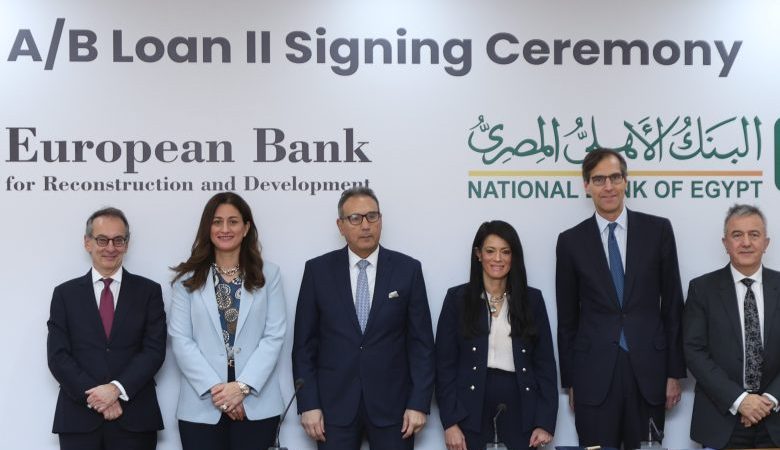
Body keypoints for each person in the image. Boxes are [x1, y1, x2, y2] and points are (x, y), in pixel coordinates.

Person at [555, 148, 686, 448]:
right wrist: (571, 380)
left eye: (615, 177)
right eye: (599, 179)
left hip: (649, 372)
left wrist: (674, 373)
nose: (608, 187)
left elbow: (673, 306)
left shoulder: (658, 230)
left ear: (626, 181)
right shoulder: (570, 241)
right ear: (586, 186)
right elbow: (567, 319)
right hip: (593, 375)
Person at [292, 187, 435, 450]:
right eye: (355, 218)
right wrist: (308, 404)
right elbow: (304, 345)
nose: (366, 225)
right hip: (334, 408)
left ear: (381, 220)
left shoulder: (407, 270)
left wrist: (419, 403)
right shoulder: (317, 271)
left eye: (372, 216)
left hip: (394, 409)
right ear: (341, 226)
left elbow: (421, 345)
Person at [169, 192, 286, 450]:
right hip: (201, 404)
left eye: (233, 222)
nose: (225, 229)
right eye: (217, 222)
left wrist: (242, 387)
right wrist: (219, 392)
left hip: (256, 403)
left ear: (246, 228)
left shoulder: (269, 275)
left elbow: (274, 336)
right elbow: (181, 340)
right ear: (207, 228)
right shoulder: (187, 280)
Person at [47, 207, 166, 450]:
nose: (110, 247)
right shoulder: (64, 294)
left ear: (127, 244)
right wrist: (97, 398)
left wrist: (116, 389)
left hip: (135, 419)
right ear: (87, 242)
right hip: (79, 419)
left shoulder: (149, 292)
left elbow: (154, 351)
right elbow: (58, 356)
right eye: (102, 239)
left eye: (118, 240)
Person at [435, 220, 557, 450]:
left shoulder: (532, 300)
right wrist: (450, 422)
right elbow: (444, 366)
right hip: (469, 411)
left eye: (505, 252)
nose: (498, 259)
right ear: (478, 254)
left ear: (514, 256)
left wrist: (545, 422)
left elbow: (545, 365)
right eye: (490, 251)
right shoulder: (457, 299)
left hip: (522, 410)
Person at [684, 204, 780, 448]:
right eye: (737, 235)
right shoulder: (702, 289)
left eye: (754, 234)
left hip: (775, 419)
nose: (746, 242)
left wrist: (769, 400)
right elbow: (694, 351)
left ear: (766, 243)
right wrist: (740, 400)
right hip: (721, 418)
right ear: (725, 243)